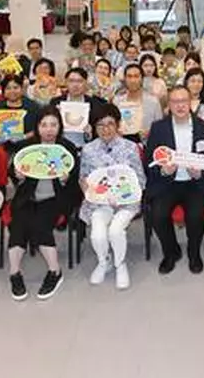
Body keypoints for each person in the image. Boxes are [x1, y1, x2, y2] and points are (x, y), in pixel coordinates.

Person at [8, 106, 79, 301]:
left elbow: (76, 181)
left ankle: (55, 272)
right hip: (28, 197)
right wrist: (18, 176)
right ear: (37, 127)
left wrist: (65, 180)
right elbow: (12, 173)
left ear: (60, 126)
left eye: (53, 125)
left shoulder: (67, 148)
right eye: (44, 125)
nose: (49, 130)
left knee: (40, 224)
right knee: (18, 224)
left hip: (56, 199)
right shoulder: (26, 148)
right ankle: (15, 274)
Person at [145, 86, 204, 275]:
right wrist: (162, 170)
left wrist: (201, 174)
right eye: (175, 102)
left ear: (190, 102)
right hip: (168, 183)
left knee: (196, 216)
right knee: (158, 214)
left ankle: (194, 253)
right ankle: (171, 252)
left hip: (194, 184)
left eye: (183, 101)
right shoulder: (159, 128)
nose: (180, 106)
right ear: (169, 105)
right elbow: (149, 161)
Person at [79, 104, 144, 289]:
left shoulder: (130, 148)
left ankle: (120, 264)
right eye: (100, 125)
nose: (106, 129)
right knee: (98, 233)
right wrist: (85, 186)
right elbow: (83, 177)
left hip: (126, 201)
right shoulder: (88, 150)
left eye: (110, 124)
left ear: (118, 125)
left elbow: (140, 178)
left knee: (116, 230)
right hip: (99, 202)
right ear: (93, 127)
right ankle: (104, 261)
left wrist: (127, 192)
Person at [49, 67, 106, 149]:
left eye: (79, 81)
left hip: (86, 148)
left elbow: (99, 133)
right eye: (71, 81)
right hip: (60, 147)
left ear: (86, 83)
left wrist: (90, 134)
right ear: (66, 83)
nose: (75, 85)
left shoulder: (95, 105)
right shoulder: (55, 102)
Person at [0, 74, 40, 152]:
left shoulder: (33, 107)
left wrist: (25, 136)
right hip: (3, 148)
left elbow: (39, 129)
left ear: (21, 88)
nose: (12, 91)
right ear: (3, 91)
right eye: (8, 88)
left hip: (28, 147)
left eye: (16, 87)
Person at [112, 63, 161, 142]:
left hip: (145, 144)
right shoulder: (117, 101)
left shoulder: (153, 102)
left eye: (136, 76)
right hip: (122, 143)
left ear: (142, 79)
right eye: (129, 76)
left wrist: (150, 132)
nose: (133, 80)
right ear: (125, 79)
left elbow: (160, 127)